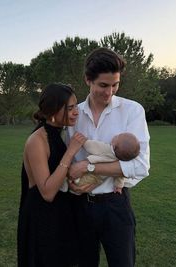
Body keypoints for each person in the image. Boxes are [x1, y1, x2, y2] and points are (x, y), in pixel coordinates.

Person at [67, 48, 150, 267]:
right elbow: (65, 160)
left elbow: (141, 165)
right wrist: (70, 182)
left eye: (115, 84)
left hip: (116, 204)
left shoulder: (132, 111)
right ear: (88, 80)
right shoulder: (73, 115)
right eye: (103, 85)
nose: (109, 92)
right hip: (79, 206)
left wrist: (89, 167)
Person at [17, 83, 86, 267]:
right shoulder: (37, 140)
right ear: (55, 110)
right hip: (42, 219)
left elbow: (59, 173)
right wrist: (70, 152)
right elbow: (47, 193)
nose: (76, 112)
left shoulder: (58, 133)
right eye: (70, 108)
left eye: (76, 106)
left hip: (60, 214)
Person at [74, 132, 140, 194]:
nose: (115, 135)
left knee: (82, 179)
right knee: (90, 181)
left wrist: (84, 142)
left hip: (90, 170)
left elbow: (94, 146)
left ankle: (74, 182)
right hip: (101, 178)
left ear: (114, 146)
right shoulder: (119, 161)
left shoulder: (108, 149)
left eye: (117, 137)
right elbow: (120, 176)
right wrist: (119, 186)